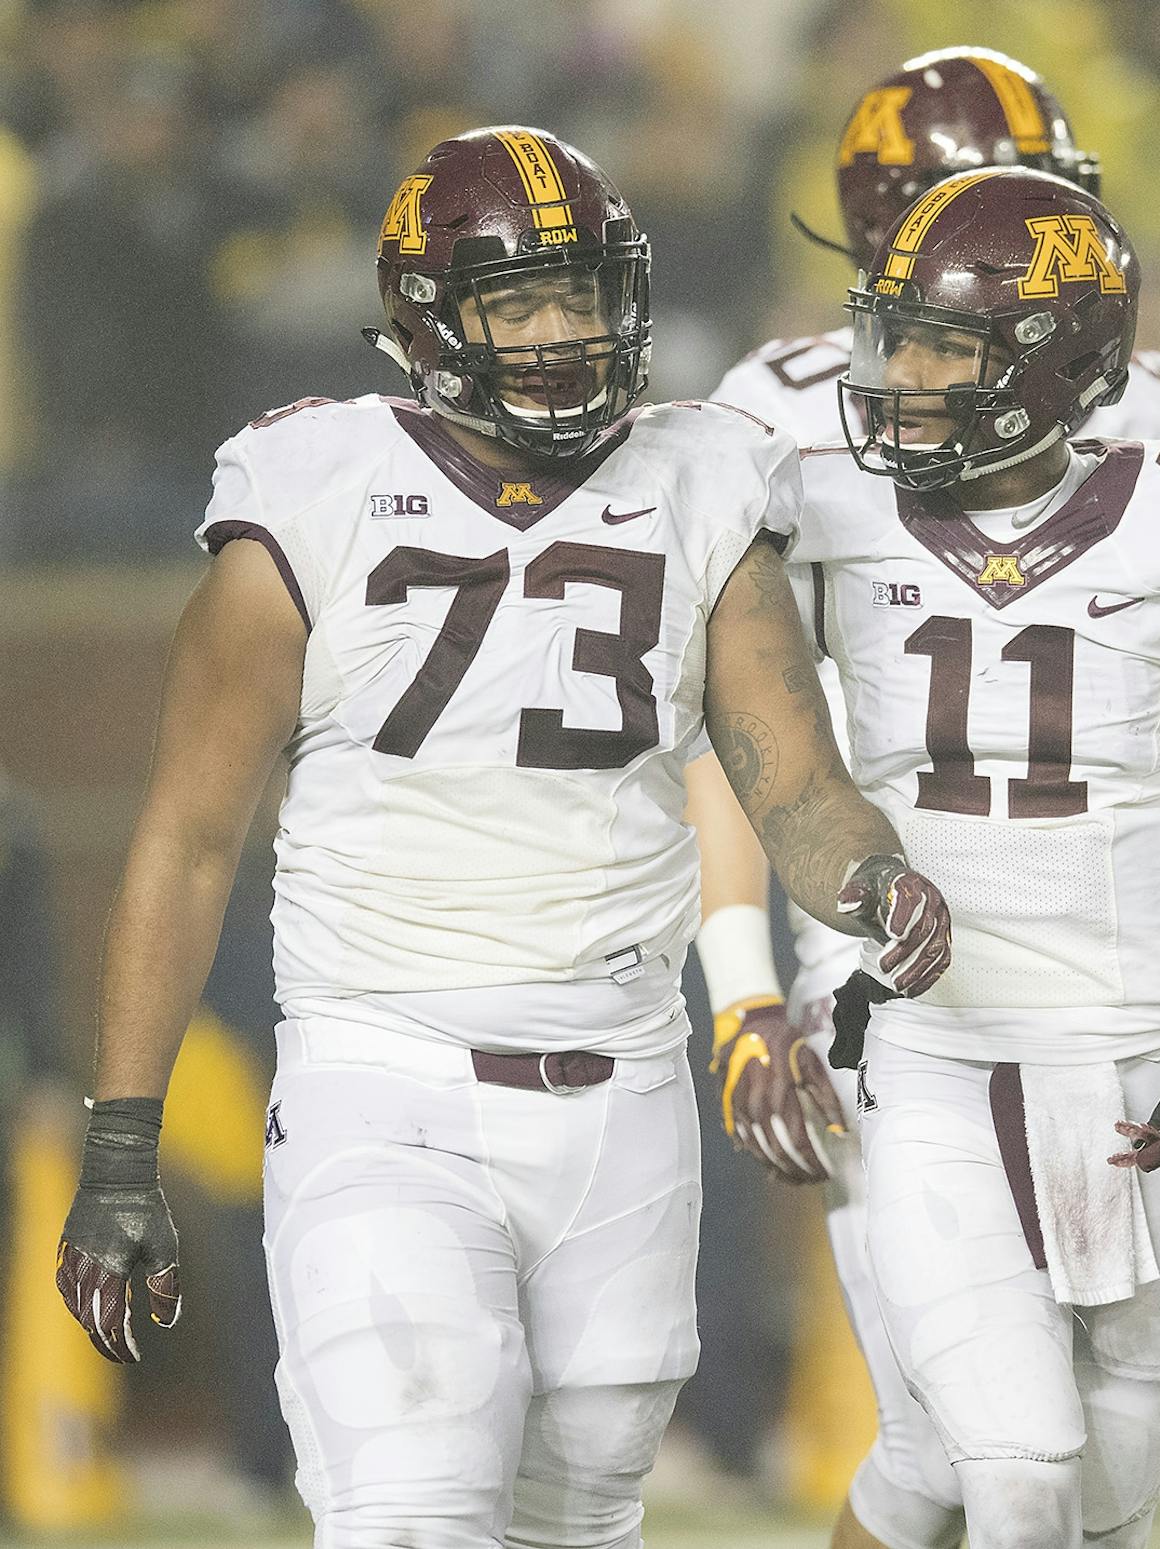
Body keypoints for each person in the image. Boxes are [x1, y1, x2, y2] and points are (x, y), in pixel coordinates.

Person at [50, 125, 952, 1549]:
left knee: (580, 1521)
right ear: (431, 322)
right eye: (520, 303)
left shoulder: (704, 478)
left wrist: (876, 875)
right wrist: (121, 1141)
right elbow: (188, 837)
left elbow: (794, 783)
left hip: (624, 1088)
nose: (562, 332)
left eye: (584, 295)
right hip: (383, 1072)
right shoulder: (310, 491)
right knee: (415, 1515)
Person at [687, 49, 1160, 1549]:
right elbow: (749, 733)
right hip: (887, 962)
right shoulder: (781, 417)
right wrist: (747, 987)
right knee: (962, 1441)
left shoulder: (1152, 406)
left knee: (1046, 1473)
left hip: (1120, 980)